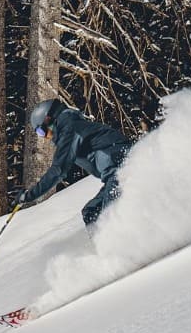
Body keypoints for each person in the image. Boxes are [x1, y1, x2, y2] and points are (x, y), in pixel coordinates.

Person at [14, 98, 134, 232]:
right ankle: (105, 248)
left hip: (120, 169)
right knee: (92, 213)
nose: (45, 138)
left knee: (109, 213)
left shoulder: (69, 128)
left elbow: (59, 169)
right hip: (115, 171)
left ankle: (126, 247)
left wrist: (29, 195)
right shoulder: (70, 127)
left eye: (41, 132)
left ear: (48, 119)